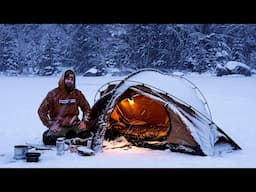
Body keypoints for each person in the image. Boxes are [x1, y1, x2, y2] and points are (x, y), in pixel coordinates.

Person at [38, 69, 92, 145]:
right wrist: (50, 125)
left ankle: (71, 139)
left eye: (71, 79)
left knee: (88, 137)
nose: (69, 81)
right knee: (48, 140)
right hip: (59, 126)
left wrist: (84, 122)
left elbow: (87, 109)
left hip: (74, 125)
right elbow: (41, 111)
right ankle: (66, 138)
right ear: (63, 80)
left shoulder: (77, 94)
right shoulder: (53, 94)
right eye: (67, 79)